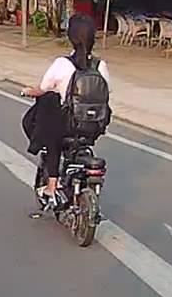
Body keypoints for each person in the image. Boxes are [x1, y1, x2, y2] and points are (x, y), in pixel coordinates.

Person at [21, 13, 111, 208]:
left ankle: (52, 185)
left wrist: (28, 91)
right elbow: (107, 93)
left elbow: (43, 88)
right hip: (94, 126)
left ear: (71, 37)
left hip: (67, 126)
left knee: (47, 112)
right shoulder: (101, 66)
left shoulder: (62, 64)